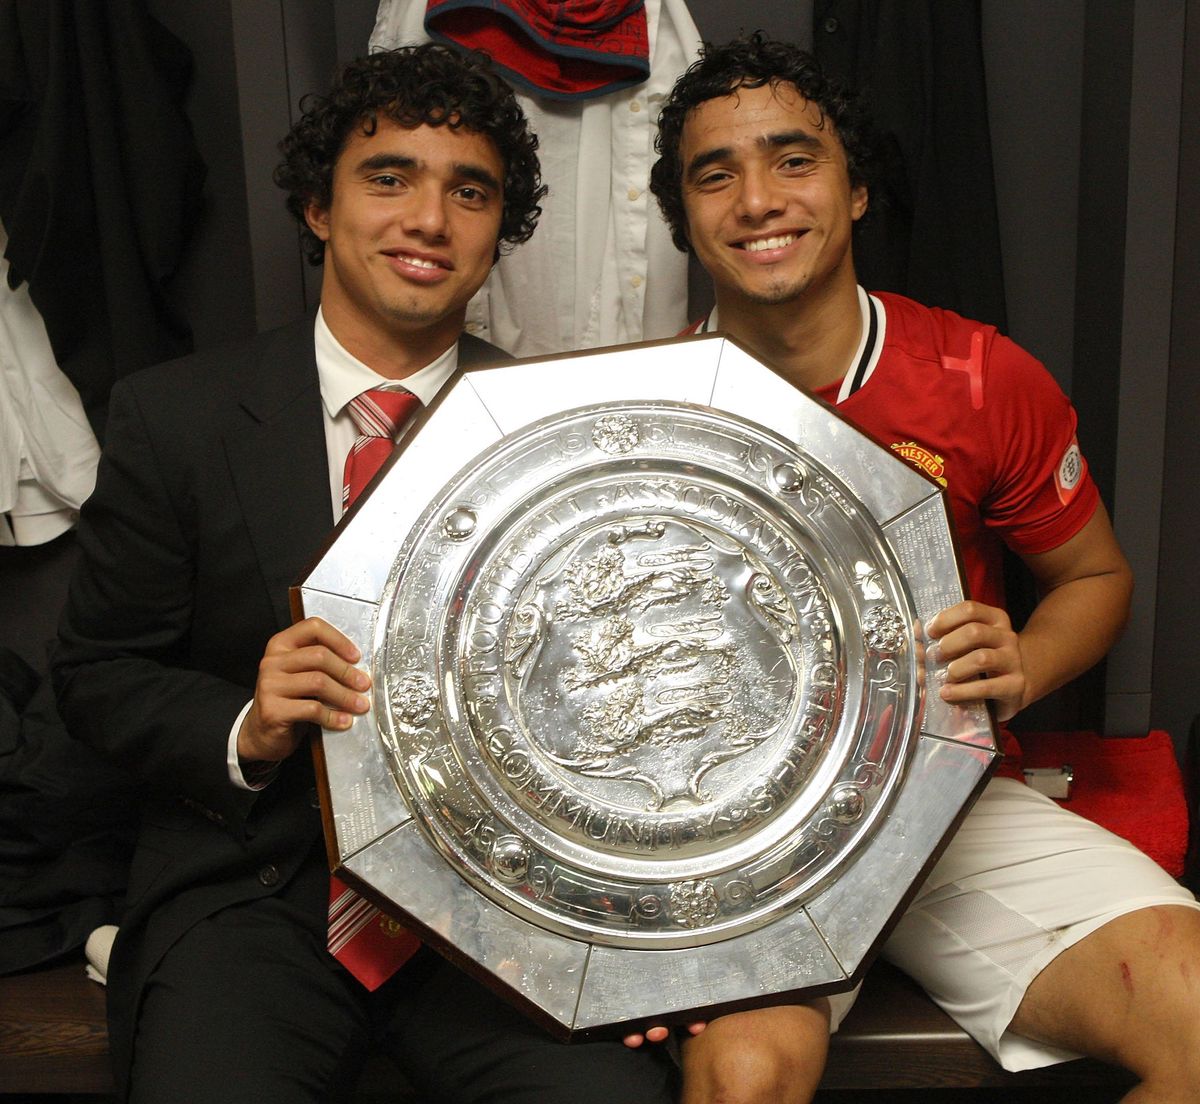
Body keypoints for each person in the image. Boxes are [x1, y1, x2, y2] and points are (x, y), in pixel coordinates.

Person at [51, 44, 677, 1104]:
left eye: (469, 192)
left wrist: (649, 939)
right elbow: (96, 675)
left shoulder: (566, 434)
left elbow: (634, 700)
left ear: (498, 230)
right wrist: (248, 725)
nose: (428, 219)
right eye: (389, 177)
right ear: (318, 205)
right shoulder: (178, 418)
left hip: (507, 919)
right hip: (254, 898)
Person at [641, 32, 1200, 1104]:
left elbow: (1096, 579)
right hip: (740, 839)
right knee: (744, 1078)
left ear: (855, 190)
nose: (757, 200)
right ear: (684, 215)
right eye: (716, 175)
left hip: (949, 801)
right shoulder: (631, 409)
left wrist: (1025, 664)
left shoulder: (978, 377)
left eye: (794, 159)